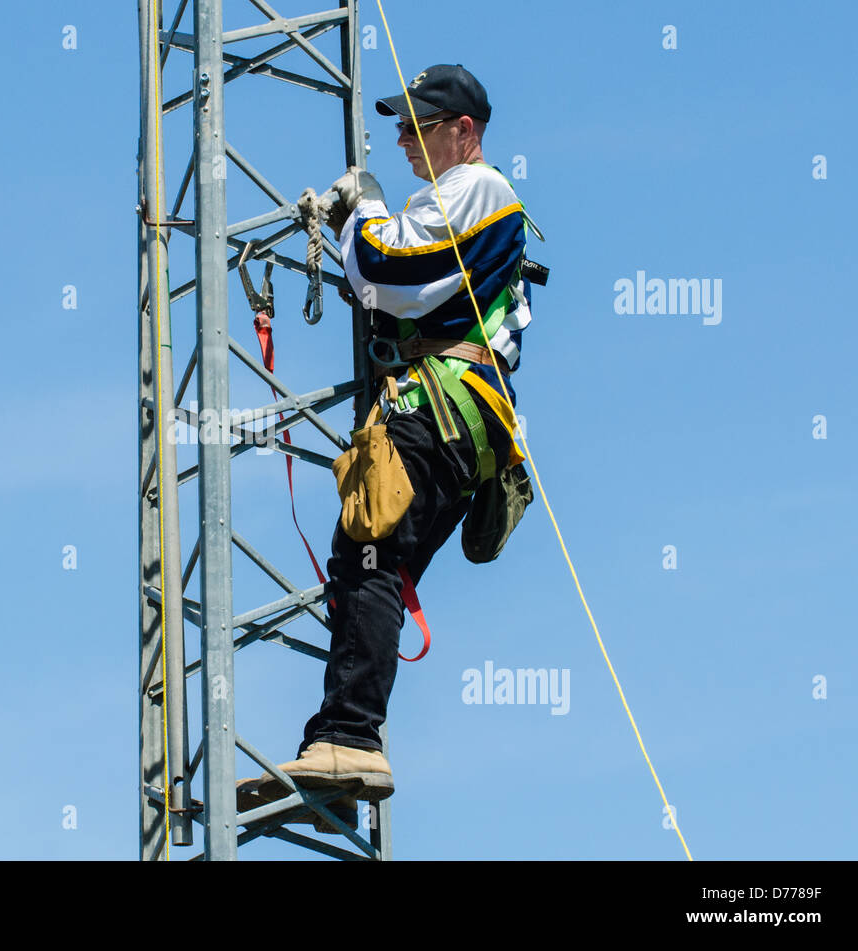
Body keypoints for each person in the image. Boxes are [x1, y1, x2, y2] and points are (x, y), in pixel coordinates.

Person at [244, 63, 535, 813]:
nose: (404, 140)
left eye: (419, 126)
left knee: (369, 550)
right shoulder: (453, 197)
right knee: (370, 561)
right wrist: (363, 225)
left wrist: (362, 213)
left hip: (441, 408)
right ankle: (345, 743)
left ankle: (350, 738)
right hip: (454, 416)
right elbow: (393, 284)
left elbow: (389, 268)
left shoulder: (480, 189)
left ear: (463, 132)